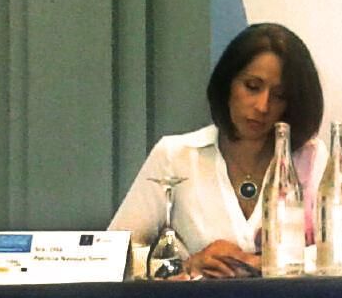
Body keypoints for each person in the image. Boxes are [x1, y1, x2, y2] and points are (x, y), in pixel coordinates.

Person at [110, 22, 327, 278]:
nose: (262, 106)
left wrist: (258, 262)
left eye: (279, 95)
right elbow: (116, 257)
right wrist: (187, 267)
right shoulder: (175, 155)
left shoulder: (310, 158)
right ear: (227, 84)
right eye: (252, 87)